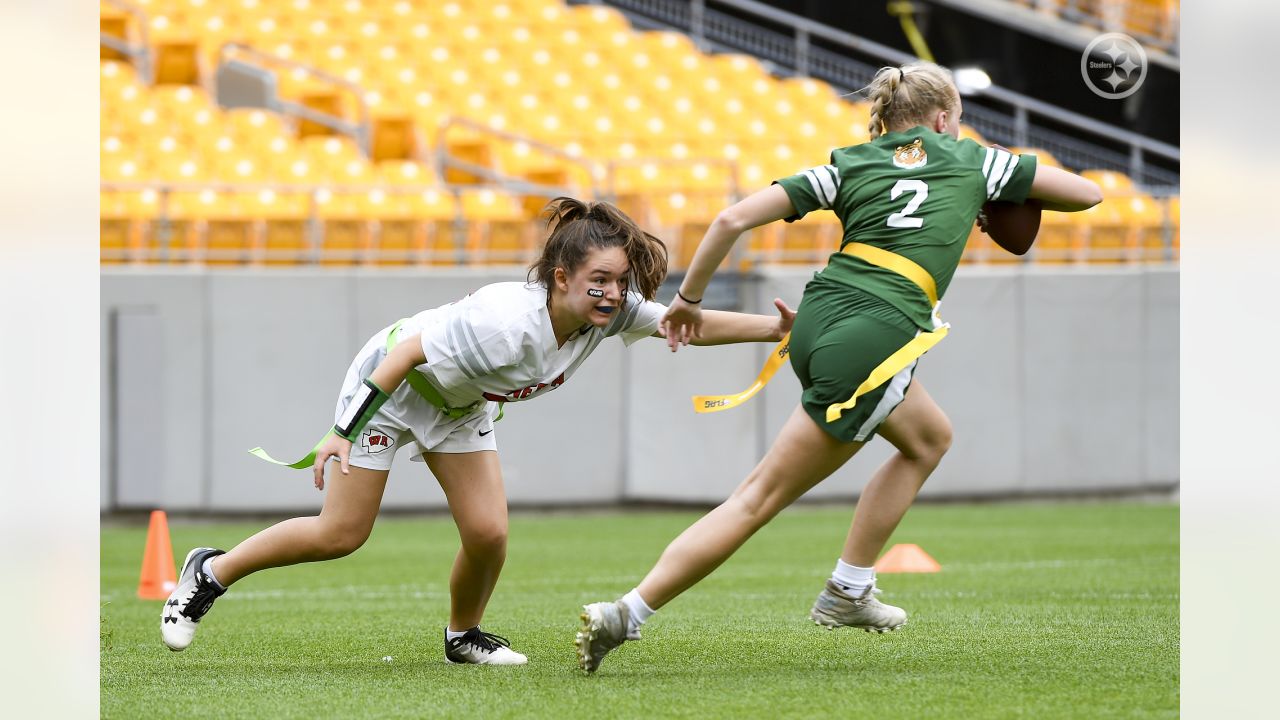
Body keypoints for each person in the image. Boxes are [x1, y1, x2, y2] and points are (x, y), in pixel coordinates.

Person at [575, 62, 1103, 672]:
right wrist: (991, 194)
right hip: (874, 334)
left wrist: (688, 302)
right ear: (942, 119)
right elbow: (1088, 195)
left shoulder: (851, 162)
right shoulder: (976, 161)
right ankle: (629, 613)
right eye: (956, 122)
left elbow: (729, 220)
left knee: (929, 438)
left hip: (817, 315)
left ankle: (850, 589)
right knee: (758, 498)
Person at [161, 197, 796, 665]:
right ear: (560, 277)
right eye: (597, 281)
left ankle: (463, 636)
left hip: (461, 404)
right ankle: (209, 573)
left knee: (489, 534)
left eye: (619, 282)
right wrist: (340, 430)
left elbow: (686, 325)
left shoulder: (612, 314)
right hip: (392, 390)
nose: (611, 294)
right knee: (341, 533)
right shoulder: (505, 322)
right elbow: (406, 353)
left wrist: (777, 330)